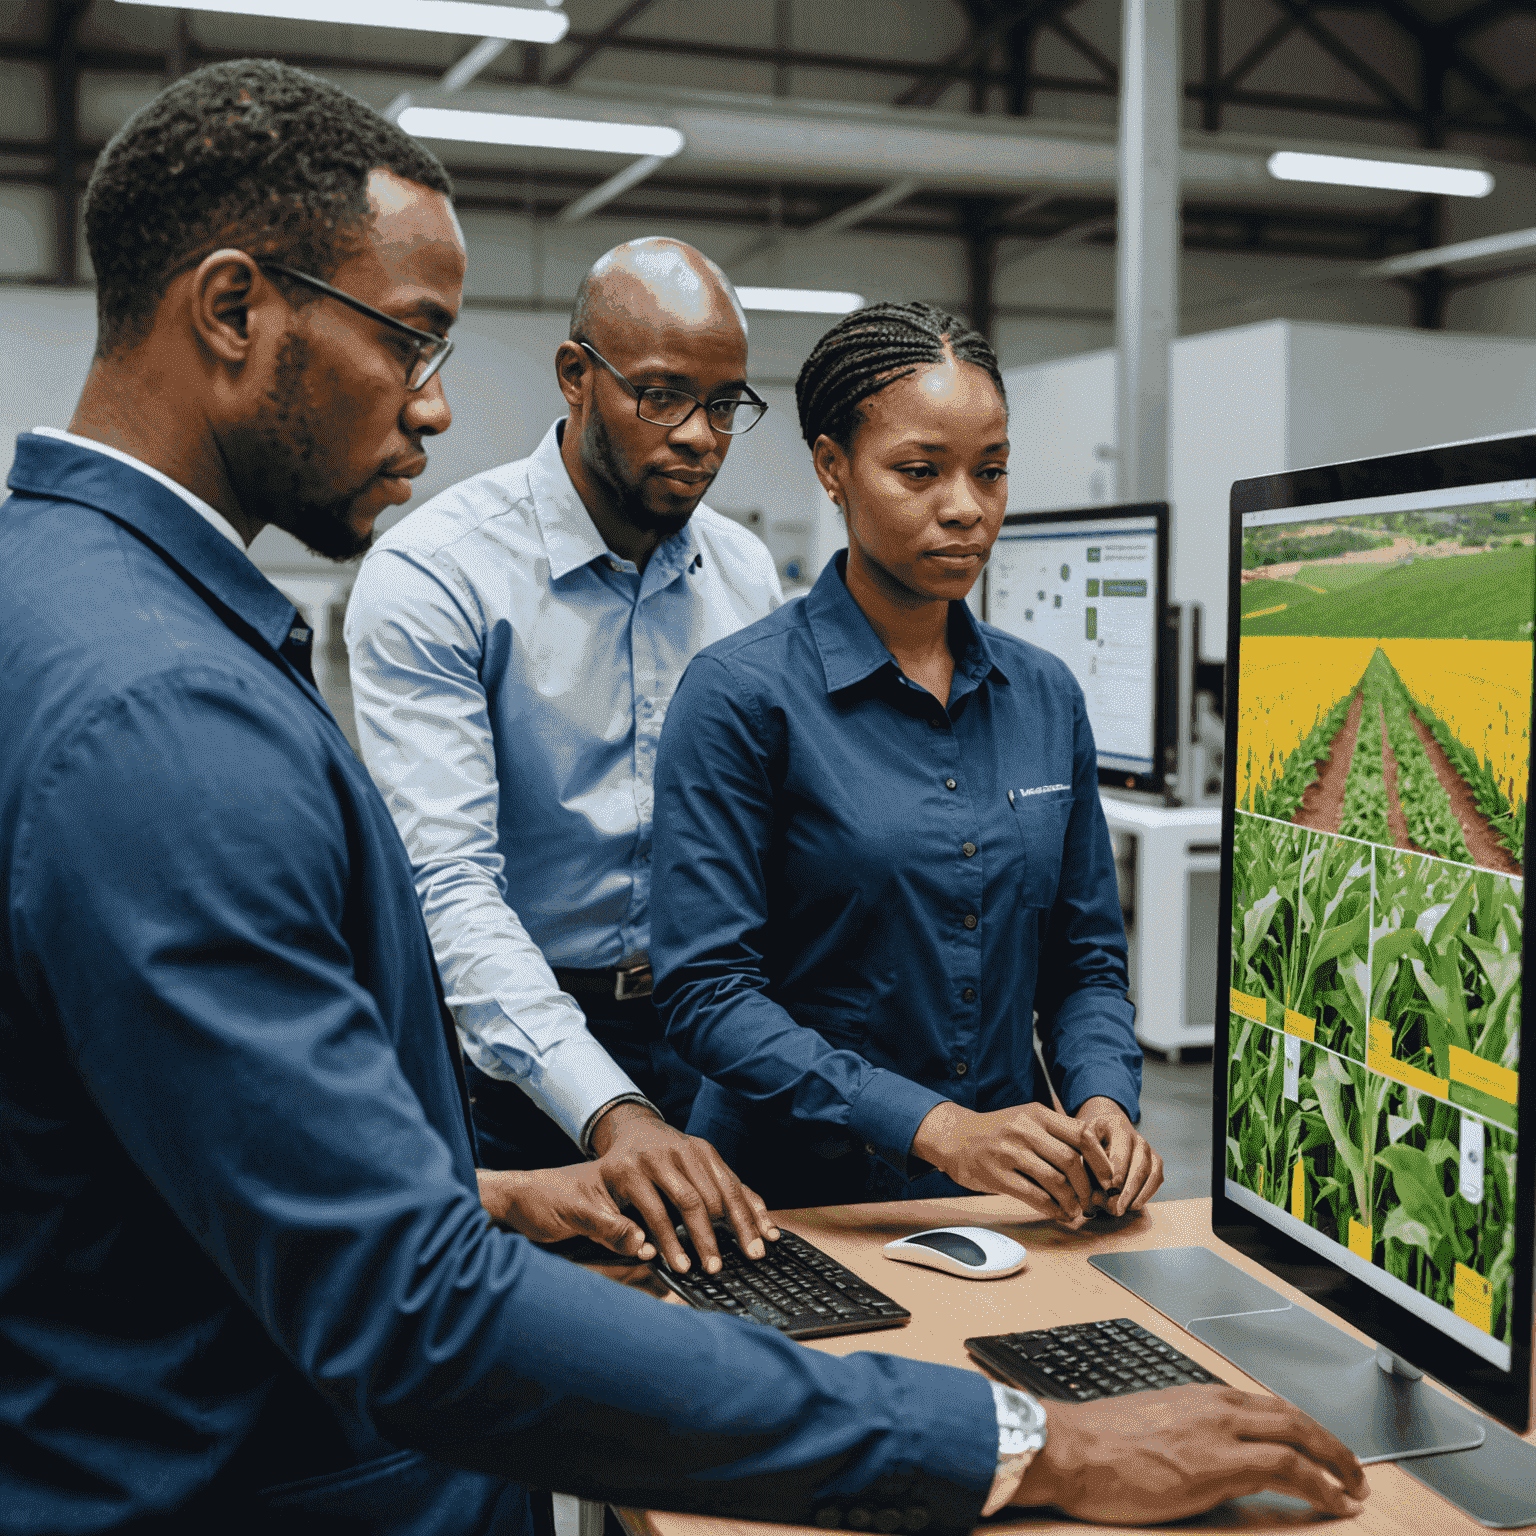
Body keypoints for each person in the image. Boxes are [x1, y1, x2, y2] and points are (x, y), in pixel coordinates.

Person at [0, 61, 1370, 1535]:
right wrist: (1024, 1443)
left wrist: (485, 1199)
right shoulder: (173, 711)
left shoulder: (70, 604)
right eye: (412, 342)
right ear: (230, 310)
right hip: (268, 1466)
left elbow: (208, 1151)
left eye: (729, 406)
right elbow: (416, 1312)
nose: (441, 402)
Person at [651, 302, 1165, 1216]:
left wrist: (1101, 1101)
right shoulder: (741, 695)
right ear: (831, 468)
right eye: (919, 472)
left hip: (1007, 1209)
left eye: (992, 471)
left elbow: (1084, 963)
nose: (965, 507)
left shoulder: (1045, 697)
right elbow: (707, 994)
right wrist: (936, 1127)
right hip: (793, 1206)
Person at [346, 236, 780, 1275]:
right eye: (664, 396)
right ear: (576, 376)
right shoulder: (437, 575)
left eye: (725, 405)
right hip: (514, 1061)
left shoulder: (746, 574)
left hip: (708, 1029)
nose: (700, 438)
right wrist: (613, 1113)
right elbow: (450, 887)